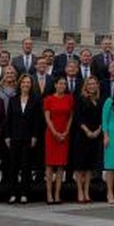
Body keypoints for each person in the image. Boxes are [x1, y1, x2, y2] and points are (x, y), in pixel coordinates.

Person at [4, 73, 42, 204]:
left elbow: (37, 120)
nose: (26, 84)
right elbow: (8, 119)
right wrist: (7, 136)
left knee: (26, 166)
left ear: (31, 85)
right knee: (13, 166)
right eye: (24, 82)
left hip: (28, 138)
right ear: (20, 84)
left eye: (28, 83)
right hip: (14, 137)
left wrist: (35, 136)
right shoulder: (13, 99)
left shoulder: (35, 100)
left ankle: (25, 193)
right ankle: (13, 193)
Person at [70, 76, 103, 203]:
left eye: (94, 84)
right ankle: (80, 191)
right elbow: (78, 118)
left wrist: (98, 130)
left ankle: (87, 192)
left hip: (95, 136)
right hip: (82, 135)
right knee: (80, 166)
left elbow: (102, 118)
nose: (92, 86)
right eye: (89, 84)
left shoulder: (99, 100)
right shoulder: (80, 99)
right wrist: (87, 131)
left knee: (89, 166)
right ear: (86, 86)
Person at [43, 75, 73, 203]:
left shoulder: (69, 98)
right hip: (51, 134)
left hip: (64, 134)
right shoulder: (48, 99)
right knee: (50, 165)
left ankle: (57, 194)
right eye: (60, 84)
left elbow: (71, 116)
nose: (62, 86)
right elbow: (47, 118)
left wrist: (66, 131)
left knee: (61, 166)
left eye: (64, 84)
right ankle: (49, 194)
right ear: (55, 85)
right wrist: (54, 132)